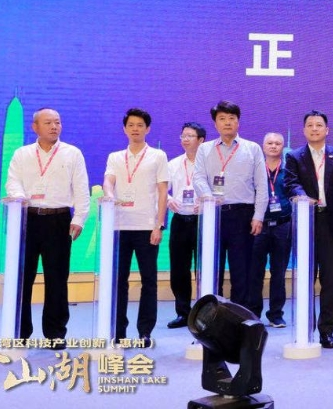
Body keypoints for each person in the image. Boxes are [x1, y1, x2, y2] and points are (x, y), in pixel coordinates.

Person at [6, 108, 90, 348]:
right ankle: (20, 332)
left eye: (57, 122)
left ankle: (55, 333)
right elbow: (12, 182)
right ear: (35, 127)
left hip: (58, 220)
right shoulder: (22, 154)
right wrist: (20, 198)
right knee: (23, 278)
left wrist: (79, 218)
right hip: (27, 220)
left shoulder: (72, 153)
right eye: (48, 123)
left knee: (57, 279)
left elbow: (81, 188)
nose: (54, 126)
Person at [284, 111, 333, 349]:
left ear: (327, 130)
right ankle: (305, 328)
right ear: (304, 130)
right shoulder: (294, 156)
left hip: (332, 224)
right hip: (306, 221)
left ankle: (327, 330)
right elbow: (290, 183)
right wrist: (303, 197)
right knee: (306, 278)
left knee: (331, 280)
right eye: (310, 125)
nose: (314, 129)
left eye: (319, 125)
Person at [192, 101, 268, 309]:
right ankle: (211, 316)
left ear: (238, 122)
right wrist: (209, 198)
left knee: (241, 270)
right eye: (222, 119)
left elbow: (261, 185)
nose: (227, 123)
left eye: (232, 118)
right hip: (213, 214)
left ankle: (238, 317)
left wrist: (258, 216)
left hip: (242, 215)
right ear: (215, 124)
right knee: (212, 268)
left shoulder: (252, 148)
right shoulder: (204, 149)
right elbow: (198, 177)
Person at [103, 108, 169, 343]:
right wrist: (110, 195)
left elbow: (163, 191)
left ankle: (145, 331)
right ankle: (118, 331)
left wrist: (159, 225)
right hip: (119, 226)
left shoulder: (158, 156)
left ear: (147, 129)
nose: (135, 129)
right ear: (124, 129)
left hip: (146, 226)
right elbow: (108, 181)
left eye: (140, 125)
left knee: (148, 280)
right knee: (118, 281)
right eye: (131, 125)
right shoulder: (115, 157)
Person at [247, 133, 293, 327]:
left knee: (279, 272)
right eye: (270, 143)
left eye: (277, 143)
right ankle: (253, 312)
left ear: (283, 147)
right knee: (254, 271)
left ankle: (275, 314)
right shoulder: (254, 169)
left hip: (283, 225)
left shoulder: (289, 170)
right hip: (259, 225)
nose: (273, 146)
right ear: (263, 146)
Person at [165, 122, 206, 329]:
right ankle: (183, 312)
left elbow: (219, 188)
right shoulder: (173, 164)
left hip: (202, 220)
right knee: (179, 268)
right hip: (180, 220)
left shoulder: (208, 164)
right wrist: (168, 200)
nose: (185, 139)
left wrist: (206, 201)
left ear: (201, 140)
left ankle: (205, 313)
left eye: (190, 136)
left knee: (203, 268)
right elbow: (161, 189)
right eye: (183, 136)